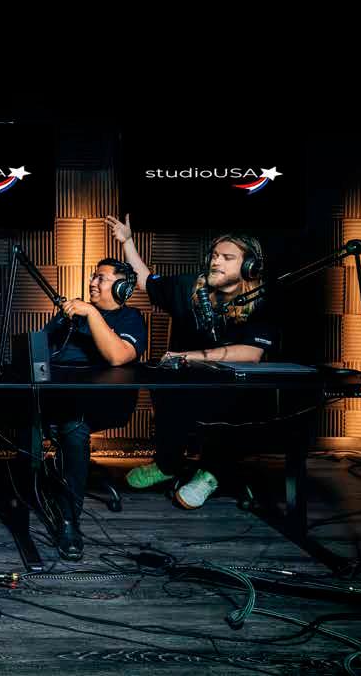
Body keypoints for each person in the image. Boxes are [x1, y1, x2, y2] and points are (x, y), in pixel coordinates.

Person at [106, 215, 279, 509]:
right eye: (214, 255)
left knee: (236, 403)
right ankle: (167, 464)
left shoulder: (261, 299)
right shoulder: (189, 286)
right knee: (163, 382)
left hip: (234, 392)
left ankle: (212, 473)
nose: (216, 262)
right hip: (186, 385)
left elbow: (252, 353)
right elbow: (147, 281)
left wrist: (190, 355)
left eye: (227, 258)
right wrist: (128, 242)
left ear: (249, 266)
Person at [38, 258, 146, 559]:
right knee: (17, 413)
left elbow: (117, 356)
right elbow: (39, 350)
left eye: (101, 278)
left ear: (122, 287)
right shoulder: (71, 316)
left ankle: (69, 521)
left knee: (73, 426)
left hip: (103, 402)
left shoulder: (131, 319)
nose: (92, 283)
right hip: (58, 397)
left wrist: (92, 313)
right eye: (92, 277)